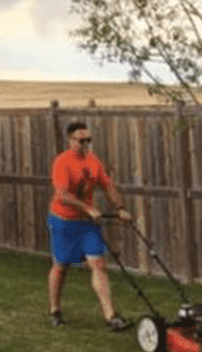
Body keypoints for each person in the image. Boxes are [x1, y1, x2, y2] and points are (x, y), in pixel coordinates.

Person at [47, 121, 132, 331]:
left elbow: (107, 185)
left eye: (88, 140)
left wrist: (120, 207)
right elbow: (62, 195)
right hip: (63, 221)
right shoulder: (62, 162)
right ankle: (55, 310)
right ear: (70, 140)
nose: (85, 144)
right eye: (81, 140)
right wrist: (88, 208)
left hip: (86, 224)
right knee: (61, 267)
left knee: (98, 264)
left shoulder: (93, 161)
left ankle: (110, 316)